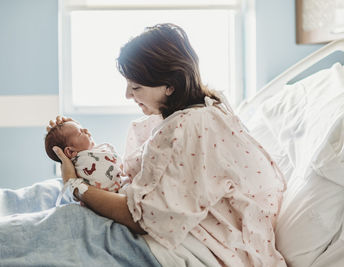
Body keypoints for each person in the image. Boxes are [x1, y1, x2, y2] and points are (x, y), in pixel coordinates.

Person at [49, 23, 287, 266]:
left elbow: (139, 217)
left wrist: (74, 185)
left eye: (136, 87)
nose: (128, 95)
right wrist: (70, 140)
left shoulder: (187, 129)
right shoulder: (205, 109)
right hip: (160, 211)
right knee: (47, 204)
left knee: (47, 232)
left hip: (208, 247)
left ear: (170, 86)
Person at [44, 121, 123, 195]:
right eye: (80, 132)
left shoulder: (93, 154)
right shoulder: (81, 163)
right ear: (70, 152)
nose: (86, 130)